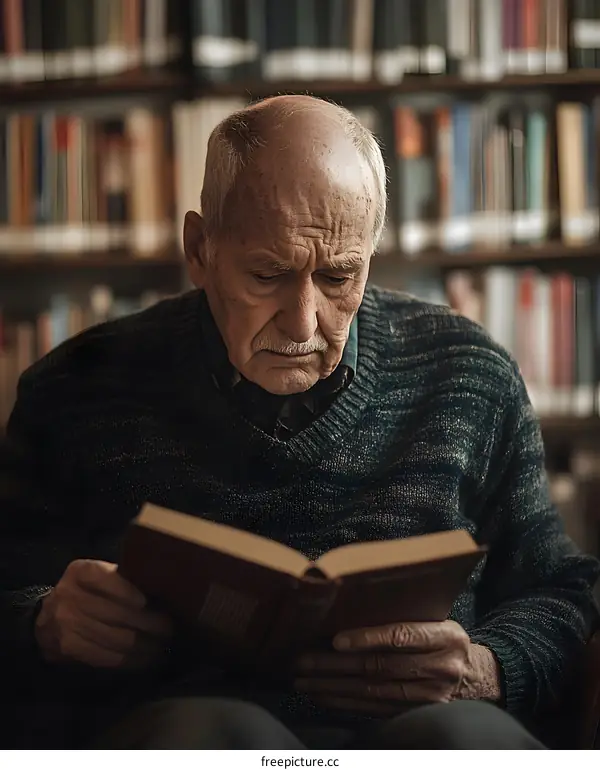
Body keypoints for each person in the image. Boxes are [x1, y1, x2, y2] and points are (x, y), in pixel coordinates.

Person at [0, 94, 597, 750]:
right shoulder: (76, 389)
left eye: (340, 276)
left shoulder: (470, 374)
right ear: (199, 249)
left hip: (418, 732)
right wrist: (43, 622)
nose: (304, 321)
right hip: (186, 736)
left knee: (464, 740)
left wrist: (489, 668)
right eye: (267, 274)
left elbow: (561, 589)